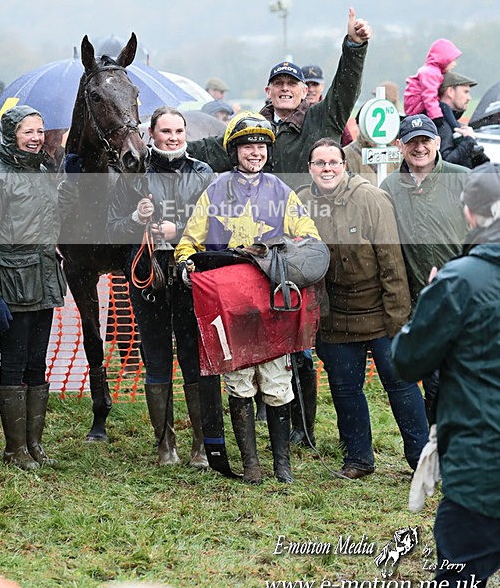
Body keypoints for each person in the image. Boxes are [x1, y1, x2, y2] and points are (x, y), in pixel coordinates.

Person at [175, 112, 321, 484]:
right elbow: (190, 239)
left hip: (270, 299)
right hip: (229, 300)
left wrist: (281, 254)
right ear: (234, 150)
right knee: (239, 381)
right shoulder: (215, 189)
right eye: (247, 146)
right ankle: (252, 465)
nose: (254, 153)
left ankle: (282, 465)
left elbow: (308, 236)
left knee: (275, 381)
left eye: (260, 146)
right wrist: (184, 262)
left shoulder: (281, 191)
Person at [392, 162, 500, 588]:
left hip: (482, 465)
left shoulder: (458, 281)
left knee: (456, 587)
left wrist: (429, 300)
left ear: (470, 216)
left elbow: (407, 360)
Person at [297, 138, 428, 478]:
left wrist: (398, 323)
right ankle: (358, 459)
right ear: (310, 168)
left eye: (333, 163)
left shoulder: (371, 198)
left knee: (401, 387)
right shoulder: (302, 202)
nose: (327, 169)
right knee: (344, 389)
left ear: (345, 165)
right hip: (335, 315)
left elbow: (392, 265)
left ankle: (422, 461)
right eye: (320, 163)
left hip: (381, 311)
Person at [107, 106, 213, 468]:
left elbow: (214, 225)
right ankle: (165, 444)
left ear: (186, 134)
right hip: (146, 274)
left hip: (189, 275)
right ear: (150, 133)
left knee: (191, 356)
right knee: (155, 356)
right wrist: (137, 218)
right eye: (165, 131)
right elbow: (112, 228)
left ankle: (200, 445)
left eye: (178, 131)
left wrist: (176, 230)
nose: (172, 137)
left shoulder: (202, 172)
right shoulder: (133, 175)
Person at [0, 105, 66, 470]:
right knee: (14, 364)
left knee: (37, 362)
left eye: (40, 131)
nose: (37, 137)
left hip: (43, 280)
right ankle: (14, 450)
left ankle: (34, 444)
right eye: (29, 131)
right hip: (10, 285)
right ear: (11, 134)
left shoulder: (43, 171)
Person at [187, 8, 372, 189]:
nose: (285, 88)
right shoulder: (251, 128)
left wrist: (354, 47)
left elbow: (345, 87)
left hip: (313, 213)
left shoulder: (322, 119)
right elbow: (212, 150)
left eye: (292, 83)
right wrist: (170, 148)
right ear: (268, 91)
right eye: (278, 83)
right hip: (263, 216)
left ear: (304, 90)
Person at [380, 114, 469, 422]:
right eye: (412, 142)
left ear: (438, 143)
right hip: (418, 304)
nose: (419, 148)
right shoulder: (390, 186)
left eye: (425, 141)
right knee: (433, 385)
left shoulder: (462, 178)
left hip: (461, 298)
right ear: (400, 146)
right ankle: (437, 454)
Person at [403, 39, 462, 134]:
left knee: (443, 107)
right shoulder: (431, 73)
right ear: (444, 59)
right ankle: (457, 130)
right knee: (444, 107)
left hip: (415, 107)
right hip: (417, 109)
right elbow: (429, 96)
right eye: (452, 60)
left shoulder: (431, 71)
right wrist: (436, 117)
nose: (454, 64)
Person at [436, 72, 489, 169]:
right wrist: (469, 140)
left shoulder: (450, 123)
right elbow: (446, 164)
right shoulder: (441, 123)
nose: (469, 98)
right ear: (450, 92)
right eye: (466, 92)